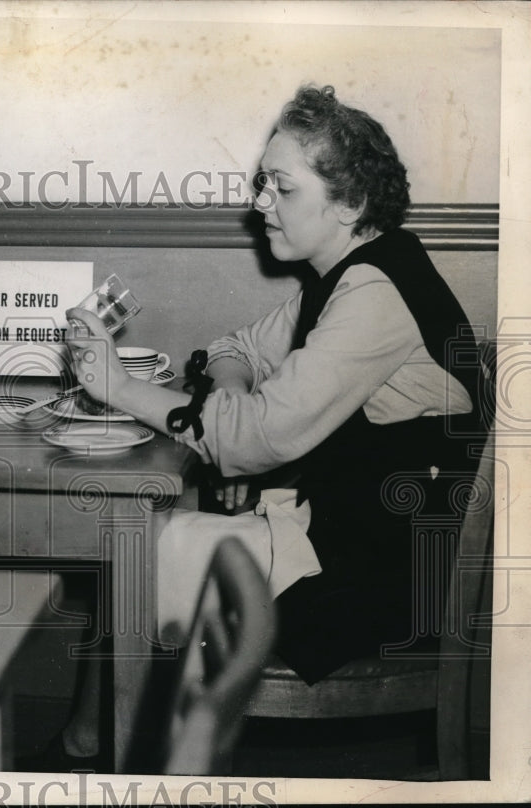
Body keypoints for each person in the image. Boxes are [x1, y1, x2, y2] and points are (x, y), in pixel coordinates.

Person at [34, 84, 486, 771]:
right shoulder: (346, 275)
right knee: (139, 543)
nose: (259, 202)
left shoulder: (376, 292)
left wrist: (120, 388)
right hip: (348, 529)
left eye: (281, 187)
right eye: (261, 183)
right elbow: (231, 351)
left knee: (139, 557)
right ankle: (97, 745)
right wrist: (236, 400)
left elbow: (250, 443)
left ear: (350, 204)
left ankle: (102, 755)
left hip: (392, 571)